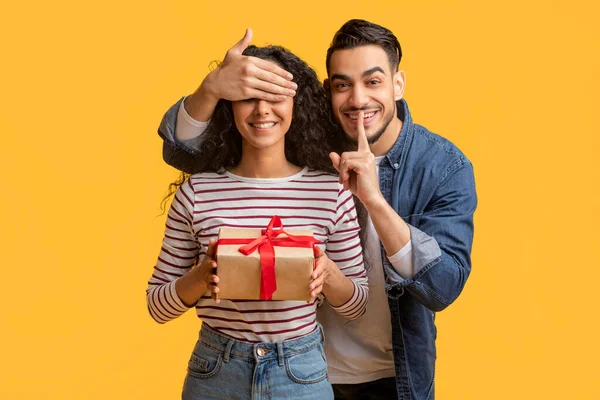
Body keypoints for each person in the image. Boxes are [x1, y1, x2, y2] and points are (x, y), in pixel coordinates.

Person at [157, 20, 477, 400]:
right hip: (304, 365)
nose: (358, 99)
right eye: (343, 85)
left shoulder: (441, 166)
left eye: (373, 81)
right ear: (327, 92)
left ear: (398, 84)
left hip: (393, 373)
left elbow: (443, 285)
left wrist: (374, 201)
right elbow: (182, 151)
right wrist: (212, 89)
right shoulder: (307, 138)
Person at [146, 45, 369, 400]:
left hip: (300, 372)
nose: (262, 109)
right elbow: (157, 306)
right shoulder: (197, 192)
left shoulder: (331, 192)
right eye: (249, 97)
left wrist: (328, 274)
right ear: (230, 105)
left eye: (276, 96)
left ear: (297, 105)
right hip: (215, 372)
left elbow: (357, 304)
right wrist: (203, 274)